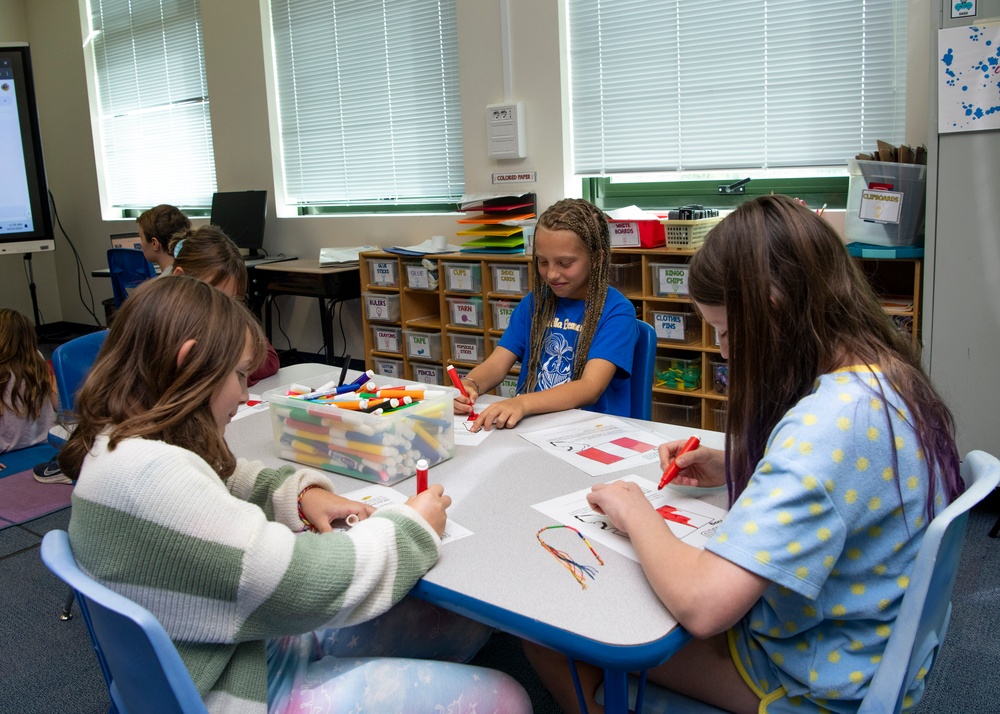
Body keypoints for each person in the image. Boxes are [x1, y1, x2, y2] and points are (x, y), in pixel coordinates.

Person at [524, 195, 964, 713]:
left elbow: (703, 606)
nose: (725, 349)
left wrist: (635, 511)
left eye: (728, 331)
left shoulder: (825, 425)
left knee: (552, 632)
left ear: (777, 311)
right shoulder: (885, 373)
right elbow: (843, 483)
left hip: (809, 678)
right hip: (868, 647)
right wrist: (739, 461)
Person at [58, 275, 530, 714]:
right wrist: (412, 526)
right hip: (241, 691)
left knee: (464, 625)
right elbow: (304, 582)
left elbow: (223, 478)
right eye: (240, 376)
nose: (245, 396)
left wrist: (299, 495)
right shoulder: (157, 480)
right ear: (188, 361)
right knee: (508, 697)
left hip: (224, 653)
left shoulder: (118, 446)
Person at [454, 198, 638, 430]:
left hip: (590, 432)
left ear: (597, 257)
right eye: (542, 262)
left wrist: (521, 403)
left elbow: (590, 387)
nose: (551, 274)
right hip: (534, 427)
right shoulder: (535, 303)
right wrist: (471, 384)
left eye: (565, 263)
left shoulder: (616, 311)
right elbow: (497, 364)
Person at [168, 225, 280, 385]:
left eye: (233, 301)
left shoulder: (229, 320)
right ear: (180, 277)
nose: (223, 311)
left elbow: (269, 359)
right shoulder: (161, 325)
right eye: (215, 297)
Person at [0, 309, 59, 475]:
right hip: (46, 442)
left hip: (8, 451)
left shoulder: (35, 359)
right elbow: (55, 400)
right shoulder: (36, 357)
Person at [137, 203, 191, 274]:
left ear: (155, 243)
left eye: (141, 238)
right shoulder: (192, 271)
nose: (141, 244)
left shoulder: (163, 283)